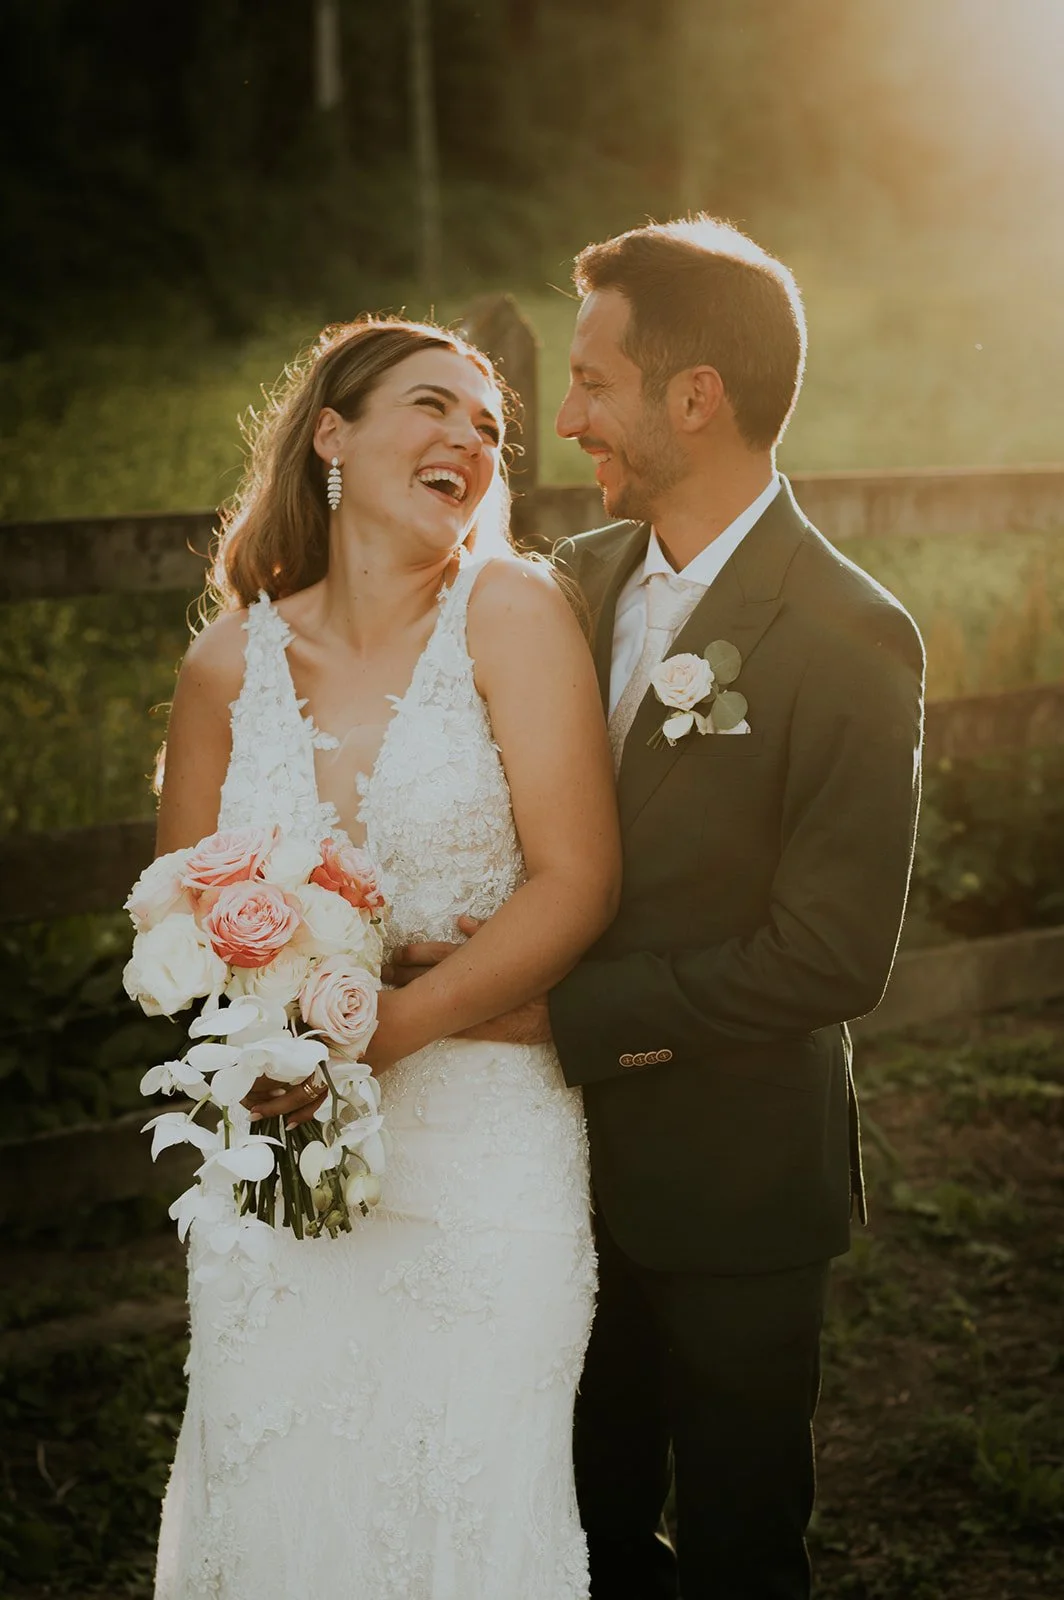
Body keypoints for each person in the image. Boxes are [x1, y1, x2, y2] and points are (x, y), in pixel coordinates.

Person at [389, 218, 925, 1599]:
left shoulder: (850, 633)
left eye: (592, 382)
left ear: (696, 397)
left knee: (741, 1549)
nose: (565, 420)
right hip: (552, 1174)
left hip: (736, 1190)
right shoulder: (574, 583)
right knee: (581, 1534)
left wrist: (560, 1014)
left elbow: (832, 956)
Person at [151, 316, 621, 1599]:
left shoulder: (510, 612)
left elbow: (578, 880)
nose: (470, 436)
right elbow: (177, 918)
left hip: (483, 1161)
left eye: (488, 426)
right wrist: (255, 1048)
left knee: (467, 1512)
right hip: (277, 1164)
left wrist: (386, 1026)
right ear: (331, 437)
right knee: (282, 1503)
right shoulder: (224, 664)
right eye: (432, 405)